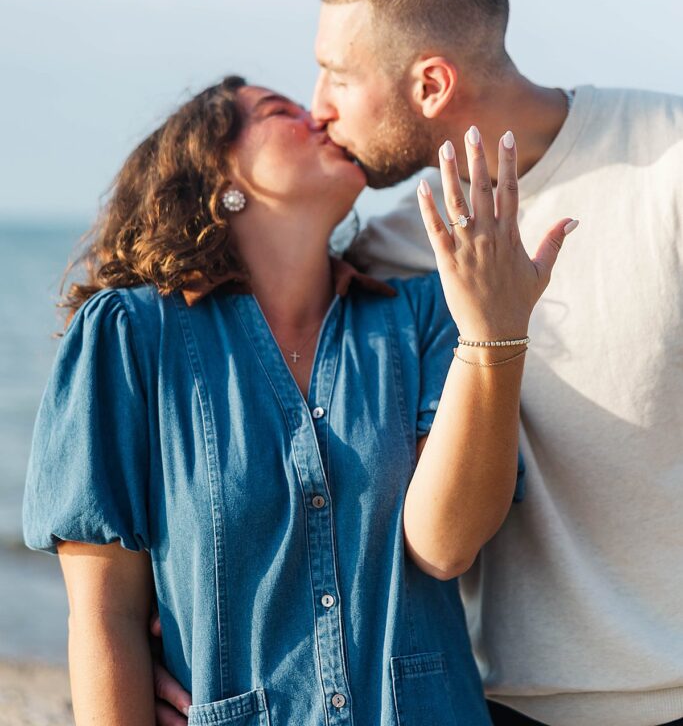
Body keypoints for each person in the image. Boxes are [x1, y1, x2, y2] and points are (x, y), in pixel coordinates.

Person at [23, 76, 574, 726]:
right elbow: (103, 615)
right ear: (217, 173)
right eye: (279, 111)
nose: (320, 115)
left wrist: (492, 333)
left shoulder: (426, 315)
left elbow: (443, 547)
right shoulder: (130, 336)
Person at [307, 0, 683, 726]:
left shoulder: (667, 160)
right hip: (486, 704)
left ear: (432, 84)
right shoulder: (391, 254)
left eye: (336, 75)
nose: (318, 107)